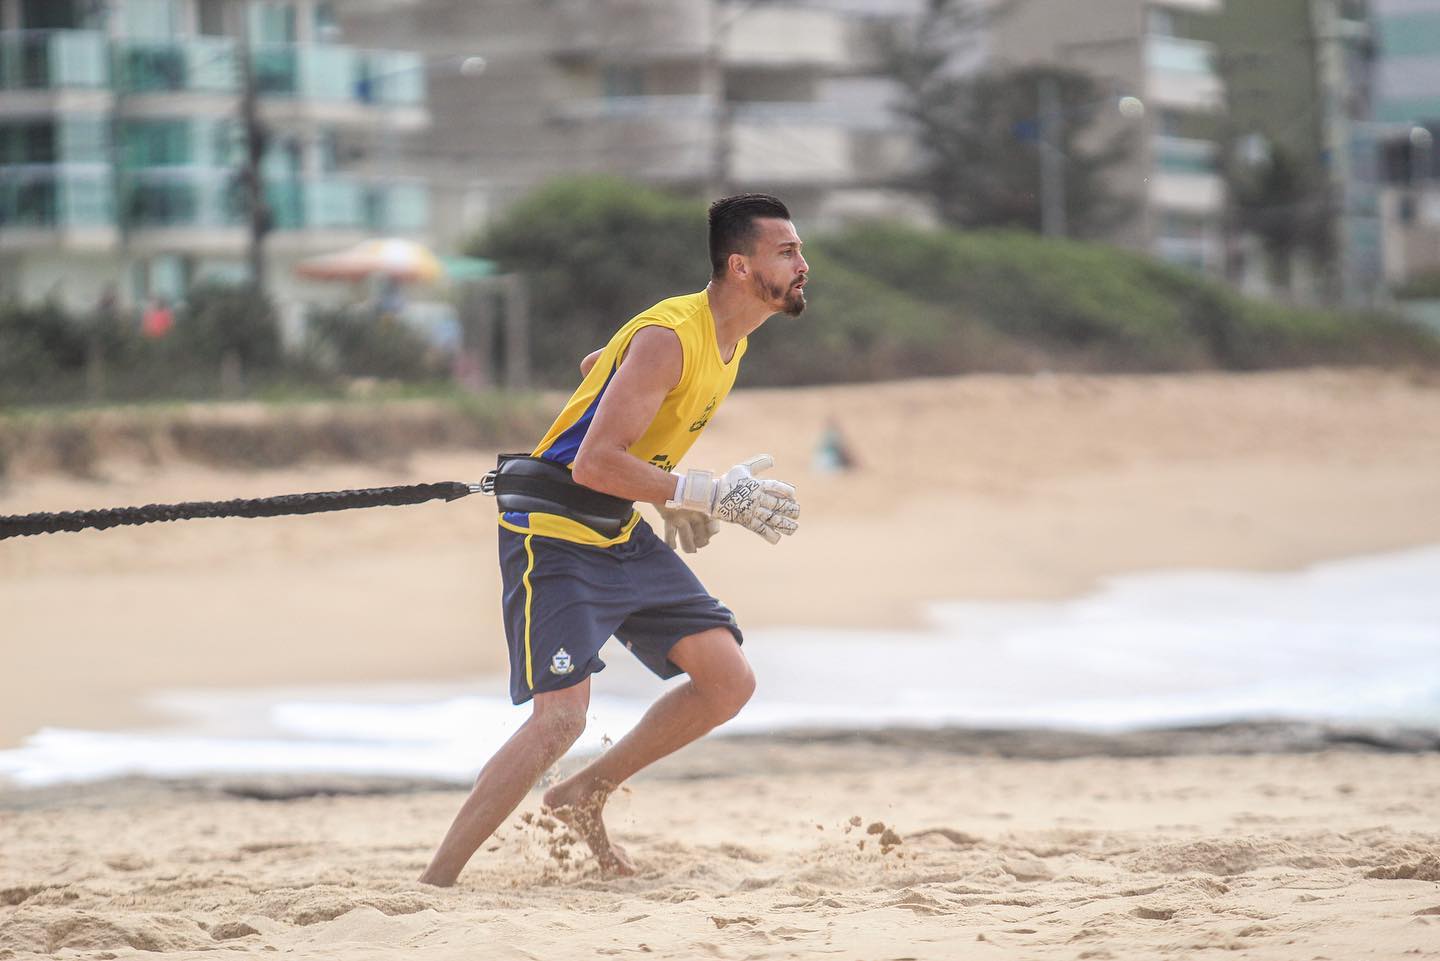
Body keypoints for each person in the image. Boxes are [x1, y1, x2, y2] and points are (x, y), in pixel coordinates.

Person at [419, 193, 808, 886]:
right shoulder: (673, 334)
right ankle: (435, 882)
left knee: (727, 680)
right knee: (558, 722)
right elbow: (593, 460)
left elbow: (597, 364)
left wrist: (660, 490)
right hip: (555, 531)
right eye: (788, 252)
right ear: (743, 266)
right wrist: (699, 493)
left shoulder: (728, 339)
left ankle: (582, 793)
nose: (804, 264)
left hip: (615, 526)